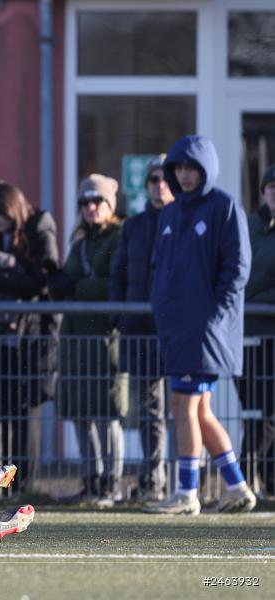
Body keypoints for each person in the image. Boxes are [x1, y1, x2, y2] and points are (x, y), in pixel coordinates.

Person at [146, 135, 256, 515]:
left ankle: (187, 493)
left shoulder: (225, 208)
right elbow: (161, 268)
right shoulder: (171, 213)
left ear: (205, 169)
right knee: (200, 409)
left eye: (191, 168)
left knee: (183, 405)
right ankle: (237, 487)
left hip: (205, 331)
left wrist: (215, 316)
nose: (185, 175)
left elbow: (237, 268)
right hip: (179, 328)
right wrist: (161, 306)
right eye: (179, 168)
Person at [0, 181, 60, 490]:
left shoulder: (39, 227)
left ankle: (22, 484)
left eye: (0, 215)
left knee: (21, 413)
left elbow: (39, 281)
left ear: (13, 210)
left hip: (26, 336)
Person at [50, 174, 127, 505]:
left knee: (107, 413)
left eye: (97, 201)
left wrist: (77, 288)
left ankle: (112, 482)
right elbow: (69, 280)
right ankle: (91, 481)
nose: (91, 207)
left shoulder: (119, 237)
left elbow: (114, 284)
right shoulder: (79, 241)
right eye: (85, 202)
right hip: (75, 338)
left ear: (110, 204)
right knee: (80, 413)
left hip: (104, 338)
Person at [110, 155, 173, 504]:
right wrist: (121, 316)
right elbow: (118, 273)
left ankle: (185, 481)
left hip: (176, 330)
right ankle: (153, 481)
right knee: (149, 411)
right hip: (141, 329)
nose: (159, 184)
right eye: (153, 179)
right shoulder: (133, 226)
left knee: (186, 409)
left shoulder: (182, 220)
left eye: (165, 178)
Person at [236, 164, 275, 499]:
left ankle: (251, 478)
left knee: (269, 412)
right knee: (252, 411)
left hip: (271, 335)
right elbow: (235, 274)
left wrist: (253, 298)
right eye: (271, 186)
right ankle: (249, 481)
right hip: (245, 334)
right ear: (263, 191)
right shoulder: (249, 227)